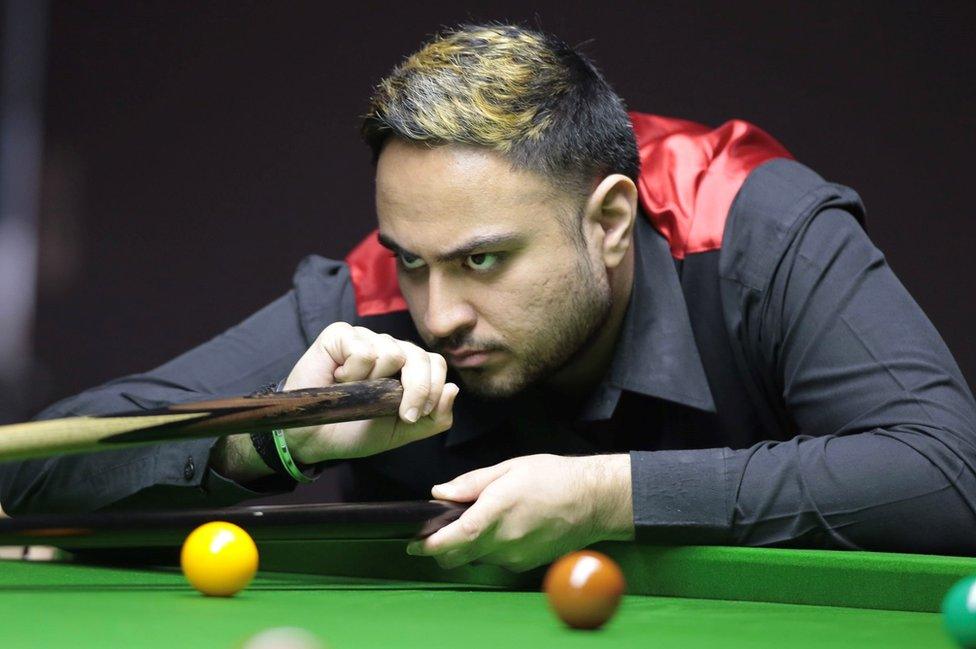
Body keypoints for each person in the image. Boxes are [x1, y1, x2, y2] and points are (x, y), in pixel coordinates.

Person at [2, 23, 975, 569]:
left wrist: (608, 493)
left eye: (480, 262)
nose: (433, 314)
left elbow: (948, 473)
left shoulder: (752, 222)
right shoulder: (375, 294)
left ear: (607, 221)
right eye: (412, 261)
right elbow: (33, 476)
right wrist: (280, 433)